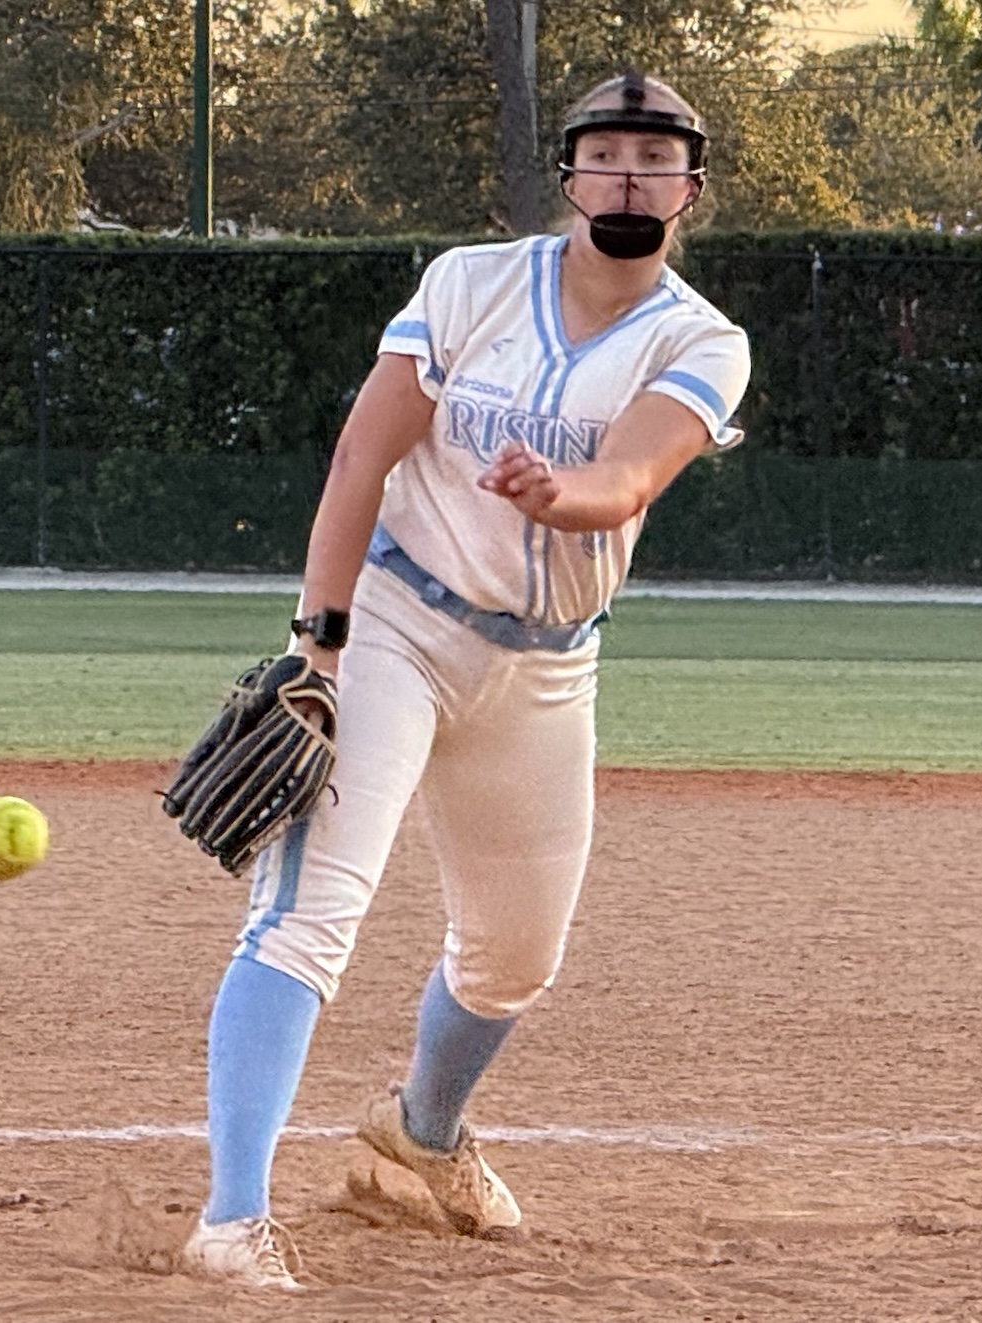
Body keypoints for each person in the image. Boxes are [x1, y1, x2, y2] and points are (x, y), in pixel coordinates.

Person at [181, 71, 753, 1289]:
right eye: (607, 155)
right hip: (395, 622)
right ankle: (231, 1222)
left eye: (657, 160)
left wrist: (566, 494)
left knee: (515, 955)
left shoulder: (701, 339)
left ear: (690, 188)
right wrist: (316, 641)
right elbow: (362, 451)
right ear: (570, 174)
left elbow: (635, 475)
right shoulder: (470, 283)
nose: (630, 177)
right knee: (308, 914)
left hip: (546, 672)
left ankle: (419, 1136)